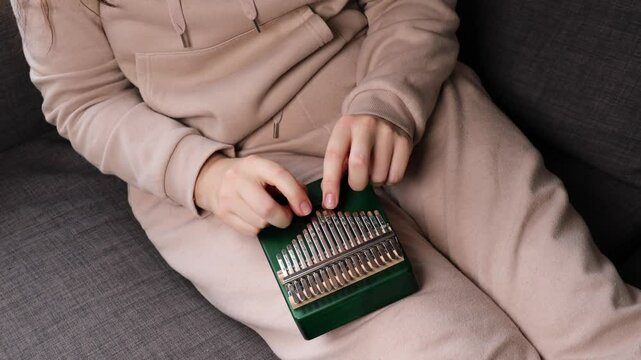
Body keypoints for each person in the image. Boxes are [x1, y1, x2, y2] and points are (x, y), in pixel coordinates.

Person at [11, 0, 641, 358]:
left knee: (591, 320)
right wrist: (202, 176)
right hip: (229, 176)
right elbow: (83, 99)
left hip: (397, 98)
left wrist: (390, 98)